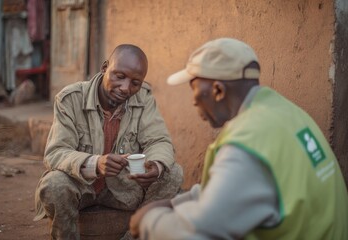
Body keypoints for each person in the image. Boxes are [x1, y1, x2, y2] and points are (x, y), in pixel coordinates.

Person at [129, 38, 348, 239]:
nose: (194, 102)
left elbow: (200, 234)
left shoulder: (247, 141)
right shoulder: (285, 112)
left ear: (218, 91)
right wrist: (173, 204)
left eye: (194, 89)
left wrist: (148, 221)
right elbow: (230, 188)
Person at [34, 44, 183, 239]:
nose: (126, 88)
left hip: (124, 188)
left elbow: (159, 140)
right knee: (54, 184)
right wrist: (95, 163)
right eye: (119, 76)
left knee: (172, 173)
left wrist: (154, 165)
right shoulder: (70, 99)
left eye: (135, 83)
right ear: (105, 68)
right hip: (81, 186)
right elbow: (56, 152)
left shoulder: (144, 99)